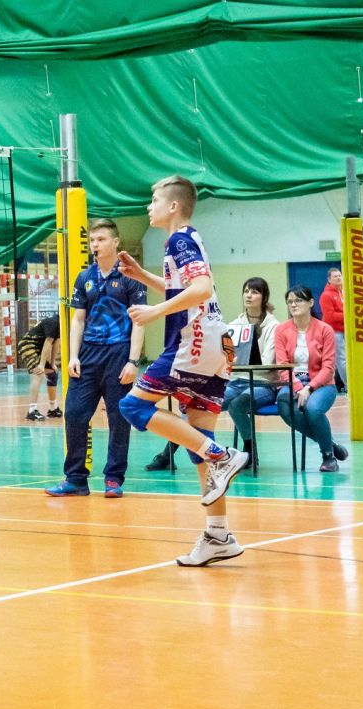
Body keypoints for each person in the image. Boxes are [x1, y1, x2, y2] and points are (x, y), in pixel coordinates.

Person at [116, 175, 247, 567]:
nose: (148, 206)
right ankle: (218, 535)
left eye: (154, 199)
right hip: (217, 346)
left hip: (194, 342)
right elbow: (188, 289)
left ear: (173, 206)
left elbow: (202, 289)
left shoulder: (179, 240)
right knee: (197, 440)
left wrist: (155, 312)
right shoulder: (186, 239)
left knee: (133, 407)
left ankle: (222, 456)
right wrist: (142, 277)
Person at [45, 219, 146, 498]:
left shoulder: (130, 276)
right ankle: (76, 479)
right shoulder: (84, 277)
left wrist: (132, 361)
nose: (95, 245)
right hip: (88, 355)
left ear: (115, 242)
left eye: (101, 240)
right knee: (75, 413)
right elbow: (78, 320)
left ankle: (113, 478)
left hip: (119, 354)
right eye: (92, 240)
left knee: (118, 418)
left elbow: (139, 321)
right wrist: (73, 356)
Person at [275, 285, 349, 472]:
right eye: (290, 301)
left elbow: (328, 368)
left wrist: (309, 388)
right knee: (285, 407)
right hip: (293, 382)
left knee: (313, 409)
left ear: (310, 303)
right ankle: (330, 444)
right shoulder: (281, 330)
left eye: (298, 300)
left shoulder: (325, 330)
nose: (293, 304)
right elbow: (282, 365)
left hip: (322, 384)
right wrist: (298, 387)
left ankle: (328, 457)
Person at [220, 277, 279, 469]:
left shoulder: (273, 326)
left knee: (237, 405)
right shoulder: (234, 324)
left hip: (262, 384)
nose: (249, 295)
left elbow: (267, 363)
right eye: (246, 291)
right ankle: (168, 453)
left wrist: (238, 360)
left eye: (254, 292)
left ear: (264, 297)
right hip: (236, 382)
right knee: (203, 404)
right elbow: (226, 357)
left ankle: (250, 451)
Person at [17, 313, 61, 421]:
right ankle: (32, 411)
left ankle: (53, 409)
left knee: (53, 374)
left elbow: (56, 344)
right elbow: (48, 343)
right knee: (38, 373)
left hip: (38, 347)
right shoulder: (53, 322)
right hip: (28, 344)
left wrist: (52, 363)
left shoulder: (61, 324)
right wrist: (41, 365)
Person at [319, 267, 347, 392]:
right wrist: (348, 315)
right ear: (329, 279)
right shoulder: (326, 296)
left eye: (339, 275)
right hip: (334, 331)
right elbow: (330, 317)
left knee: (345, 359)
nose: (338, 278)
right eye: (335, 276)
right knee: (342, 359)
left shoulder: (344, 292)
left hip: (346, 331)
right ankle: (349, 385)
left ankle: (345, 383)